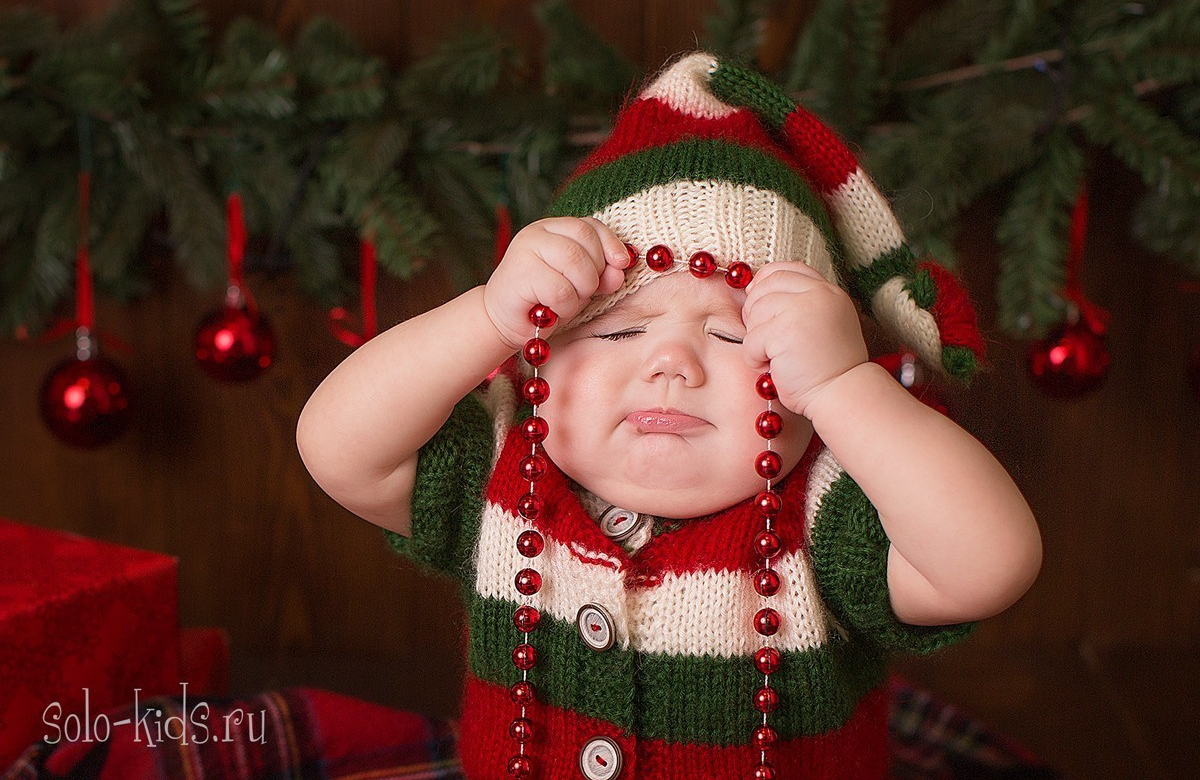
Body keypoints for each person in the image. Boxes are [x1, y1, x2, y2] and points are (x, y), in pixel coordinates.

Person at [296, 52, 1042, 780]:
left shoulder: (825, 512)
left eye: (733, 336)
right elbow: (338, 448)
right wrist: (486, 315)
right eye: (617, 331)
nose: (672, 364)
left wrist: (846, 387)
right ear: (533, 362)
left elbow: (988, 564)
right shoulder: (505, 473)